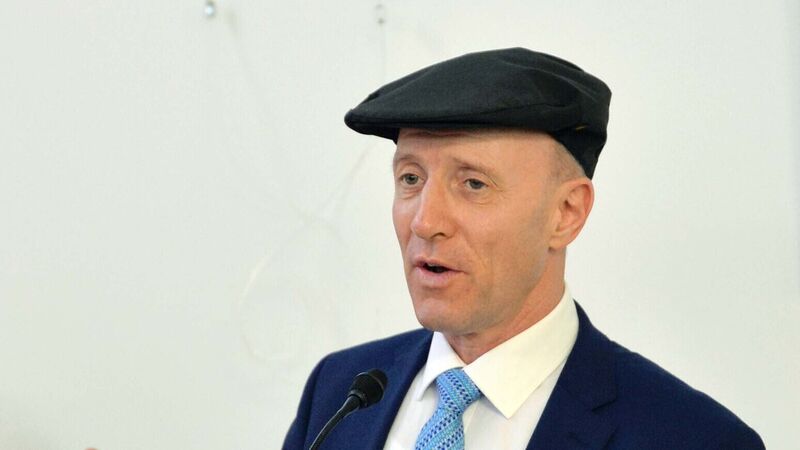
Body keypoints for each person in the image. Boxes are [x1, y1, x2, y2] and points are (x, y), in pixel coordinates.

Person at [282, 48, 764, 449]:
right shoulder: (339, 391)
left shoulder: (692, 438)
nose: (425, 222)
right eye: (411, 178)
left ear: (566, 213)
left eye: (473, 184)